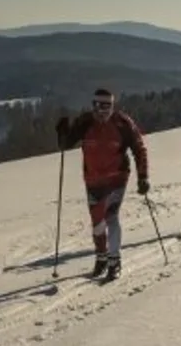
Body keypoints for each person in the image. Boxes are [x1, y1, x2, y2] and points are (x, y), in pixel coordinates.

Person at [55, 88, 150, 280]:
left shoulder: (123, 123)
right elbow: (66, 144)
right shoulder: (85, 121)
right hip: (93, 181)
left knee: (111, 217)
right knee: (97, 223)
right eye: (97, 105)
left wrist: (143, 177)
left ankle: (114, 260)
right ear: (93, 105)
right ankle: (101, 257)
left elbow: (139, 149)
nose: (101, 110)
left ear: (112, 106)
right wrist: (62, 133)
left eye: (106, 106)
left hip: (117, 178)